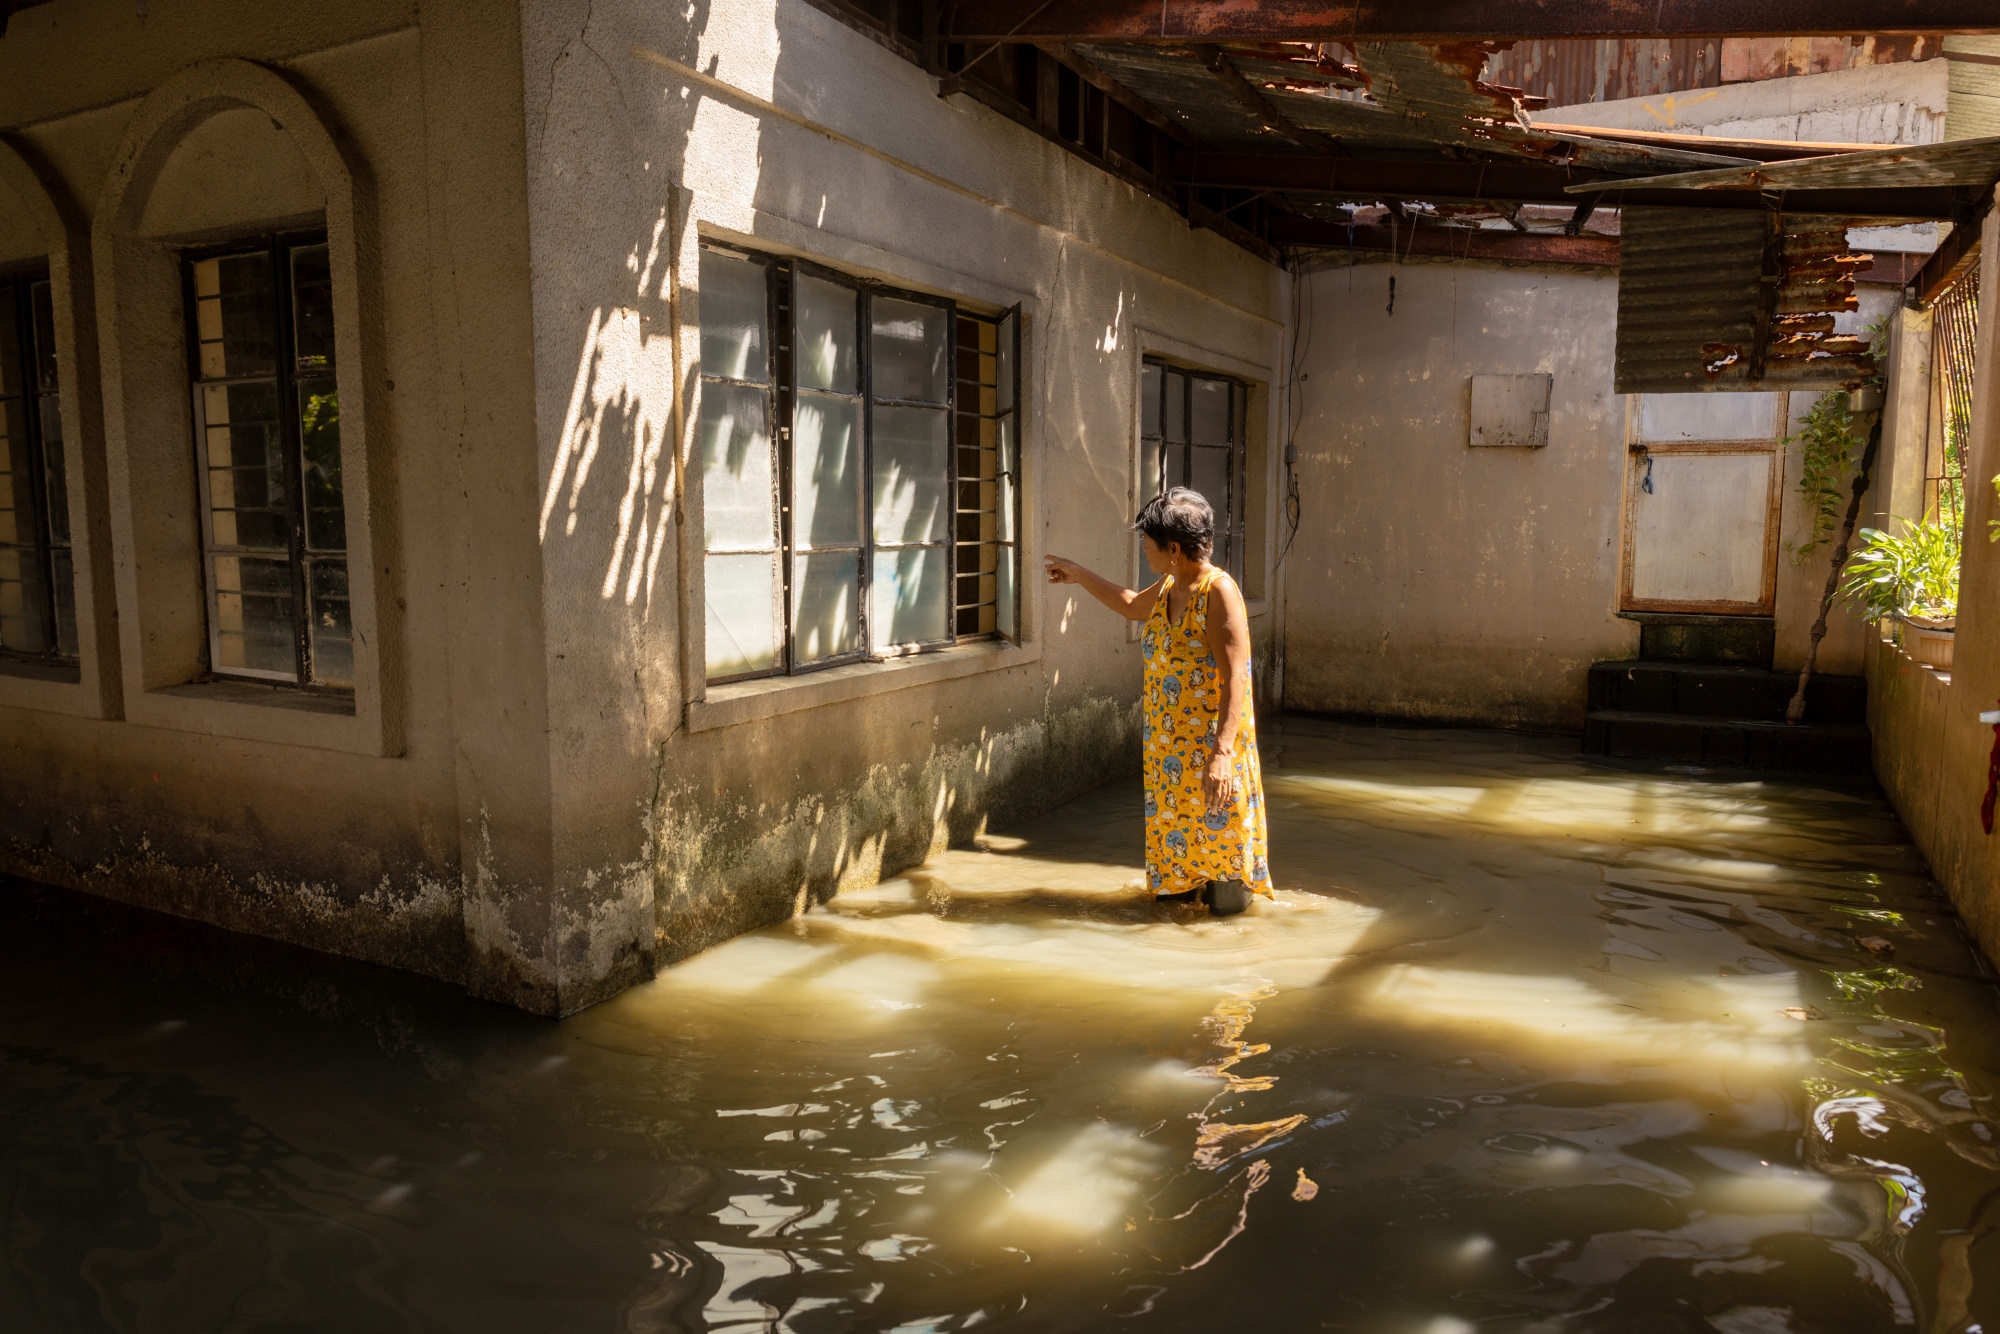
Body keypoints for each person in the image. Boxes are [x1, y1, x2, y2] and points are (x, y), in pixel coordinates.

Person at [1045, 488, 1272, 916]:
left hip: (1211, 757)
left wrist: (1222, 754)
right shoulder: (1171, 584)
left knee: (1226, 896)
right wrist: (1077, 573)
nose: (1143, 550)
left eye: (1148, 543)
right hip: (1169, 758)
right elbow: (1131, 606)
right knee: (1174, 898)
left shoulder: (1217, 591)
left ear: (1174, 548)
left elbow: (1236, 677)